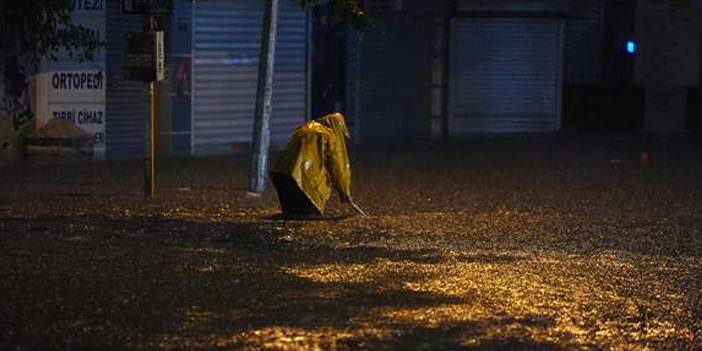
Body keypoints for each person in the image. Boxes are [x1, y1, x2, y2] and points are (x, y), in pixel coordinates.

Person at [270, 112, 358, 217]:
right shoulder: (329, 135)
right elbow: (337, 168)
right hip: (302, 180)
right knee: (309, 216)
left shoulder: (303, 129)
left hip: (280, 175)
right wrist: (344, 192)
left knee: (291, 214)